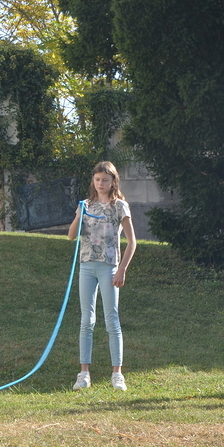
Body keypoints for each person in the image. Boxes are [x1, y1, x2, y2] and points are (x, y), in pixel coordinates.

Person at [67, 161, 137, 391]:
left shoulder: (120, 206)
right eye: (97, 180)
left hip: (109, 267)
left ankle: (117, 373)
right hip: (87, 266)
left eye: (105, 180)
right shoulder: (86, 205)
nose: (100, 184)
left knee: (111, 319)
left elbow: (132, 242)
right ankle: (84, 373)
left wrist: (122, 269)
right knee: (86, 320)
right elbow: (71, 236)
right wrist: (79, 215)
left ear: (113, 181)